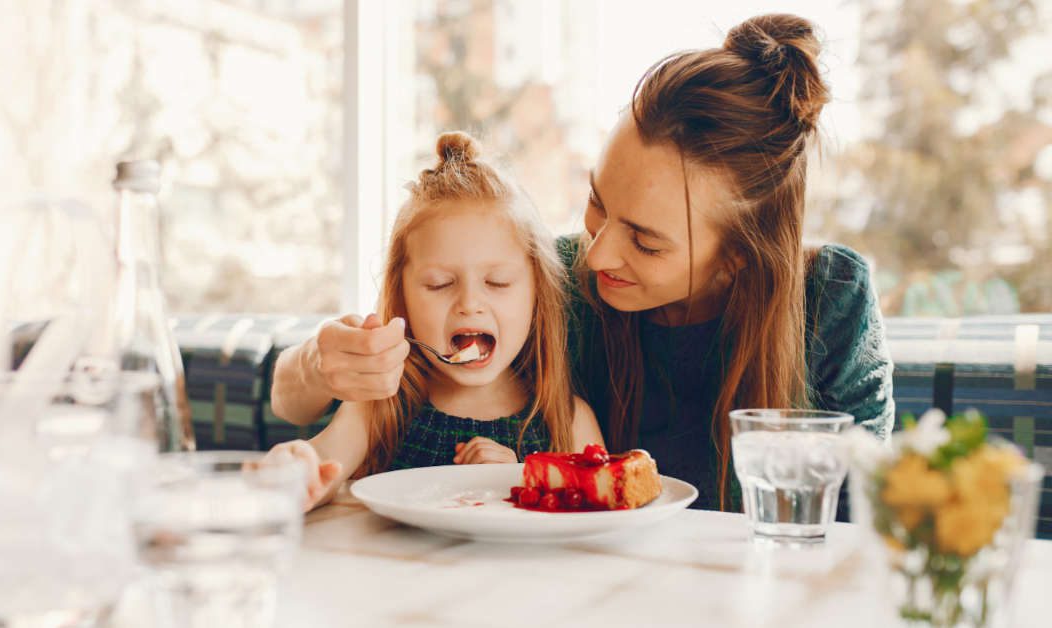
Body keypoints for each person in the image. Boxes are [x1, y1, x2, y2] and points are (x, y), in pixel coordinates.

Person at [271, 14, 894, 511]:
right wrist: (317, 365)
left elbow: (864, 522)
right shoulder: (548, 279)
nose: (596, 254)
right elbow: (302, 406)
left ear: (735, 259)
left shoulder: (831, 301)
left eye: (646, 241)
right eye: (597, 203)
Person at [266, 131, 603, 510]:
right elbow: (322, 470)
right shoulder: (379, 404)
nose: (470, 303)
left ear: (537, 293)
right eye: (440, 284)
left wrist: (519, 481)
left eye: (498, 282)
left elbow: (597, 512)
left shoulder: (566, 418)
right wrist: (294, 471)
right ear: (403, 297)